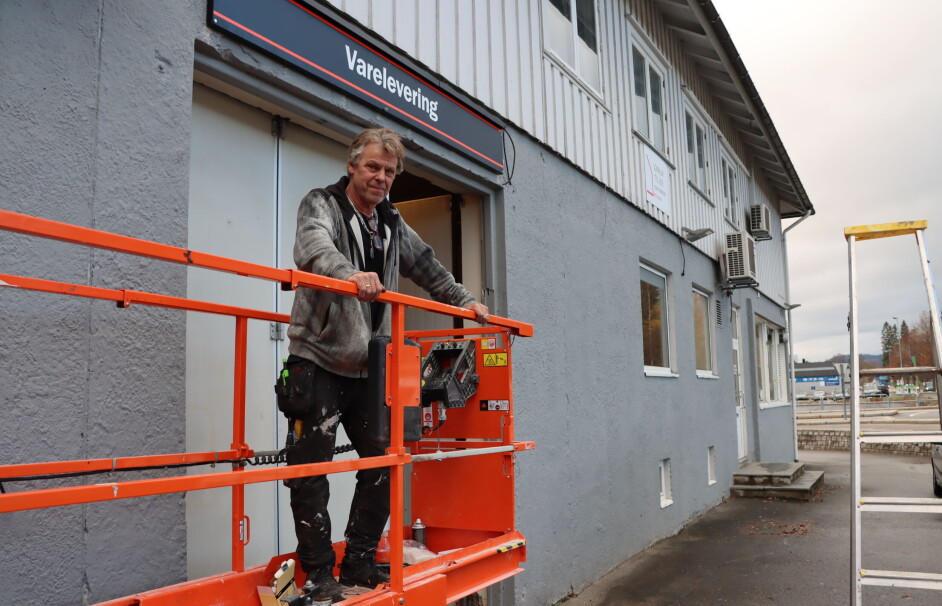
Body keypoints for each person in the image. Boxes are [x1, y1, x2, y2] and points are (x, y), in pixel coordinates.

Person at [281, 127, 488, 603]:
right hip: (317, 359)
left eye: (389, 171)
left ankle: (356, 560)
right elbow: (313, 250)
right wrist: (351, 275)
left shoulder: (391, 222)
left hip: (368, 366)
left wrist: (465, 302)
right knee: (309, 469)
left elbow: (428, 266)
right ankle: (316, 574)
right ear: (353, 165)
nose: (380, 177)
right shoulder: (323, 204)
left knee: (386, 462)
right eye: (372, 167)